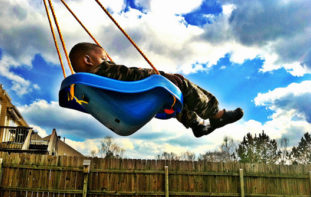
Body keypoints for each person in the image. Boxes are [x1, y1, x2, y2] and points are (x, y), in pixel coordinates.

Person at [69, 42, 244, 137]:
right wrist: (160, 76)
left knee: (170, 96)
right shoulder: (105, 72)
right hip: (136, 100)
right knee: (177, 83)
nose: (108, 60)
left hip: (129, 104)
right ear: (88, 60)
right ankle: (215, 115)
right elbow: (133, 75)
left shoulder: (89, 87)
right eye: (104, 58)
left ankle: (196, 125)